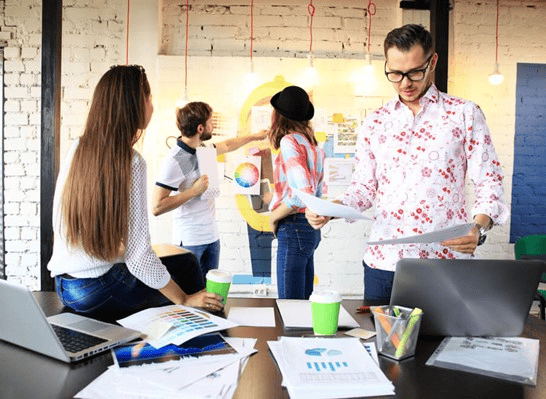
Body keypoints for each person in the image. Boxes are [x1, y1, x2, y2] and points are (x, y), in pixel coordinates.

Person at [306, 24, 510, 301]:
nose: (405, 83)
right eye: (395, 73)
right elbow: (364, 189)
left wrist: (479, 227)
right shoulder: (375, 122)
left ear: (432, 62)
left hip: (445, 260)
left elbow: (489, 179)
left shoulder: (464, 114)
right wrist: (329, 209)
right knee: (382, 343)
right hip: (384, 263)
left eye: (415, 72)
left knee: (443, 344)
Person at [47, 65, 224, 321]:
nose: (152, 105)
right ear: (134, 105)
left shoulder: (78, 148)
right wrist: (184, 299)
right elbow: (138, 256)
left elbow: (60, 221)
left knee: (183, 260)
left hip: (65, 287)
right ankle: (201, 335)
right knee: (187, 270)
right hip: (98, 290)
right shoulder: (131, 161)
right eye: (149, 98)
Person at [152, 101, 267, 278]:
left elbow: (228, 145)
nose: (212, 125)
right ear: (200, 128)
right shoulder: (175, 160)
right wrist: (193, 191)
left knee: (210, 294)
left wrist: (254, 137)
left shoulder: (204, 149)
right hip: (189, 241)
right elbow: (157, 207)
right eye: (211, 122)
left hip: (211, 238)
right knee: (191, 294)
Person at [268, 86, 325, 299]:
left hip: (293, 228)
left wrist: (274, 216)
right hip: (309, 230)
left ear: (278, 116)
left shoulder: (289, 141)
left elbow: (302, 193)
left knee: (290, 306)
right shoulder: (313, 145)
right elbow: (316, 195)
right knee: (302, 305)